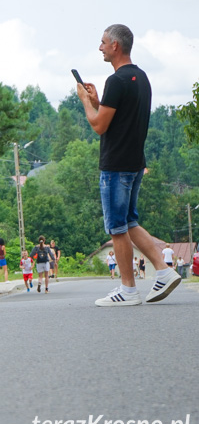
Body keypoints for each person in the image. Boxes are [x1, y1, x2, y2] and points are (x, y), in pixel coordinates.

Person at [77, 24, 180, 306]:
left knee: (117, 228)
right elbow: (118, 117)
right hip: (135, 162)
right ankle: (164, 270)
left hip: (116, 165)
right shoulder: (141, 77)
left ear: (115, 46)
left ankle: (128, 289)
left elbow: (99, 125)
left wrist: (86, 102)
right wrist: (99, 100)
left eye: (103, 43)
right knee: (130, 221)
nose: (100, 47)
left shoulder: (117, 81)